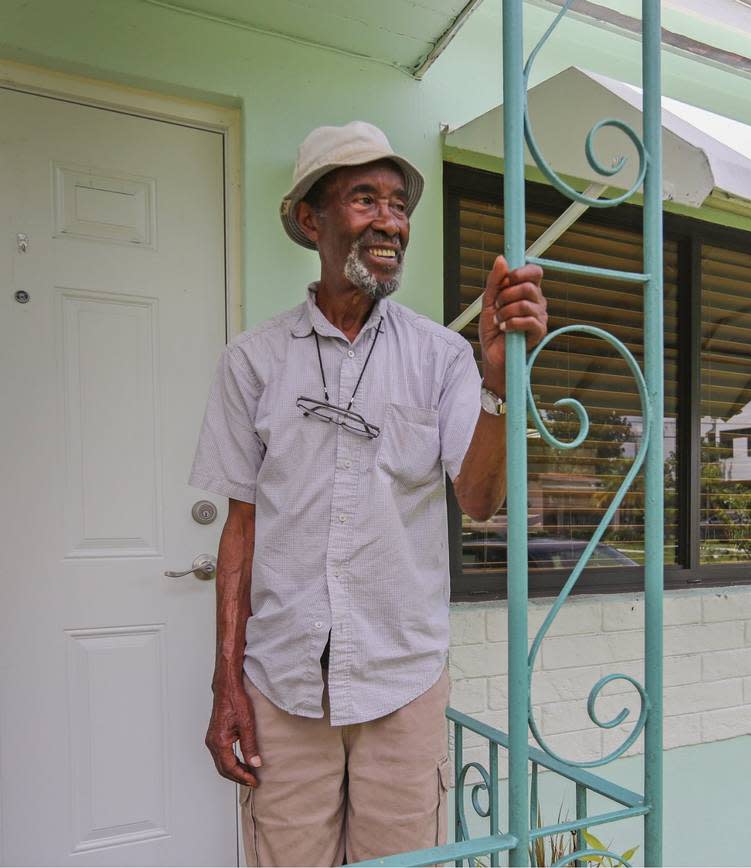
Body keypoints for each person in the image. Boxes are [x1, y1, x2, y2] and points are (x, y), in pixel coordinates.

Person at [189, 121, 547, 866]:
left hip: (402, 680)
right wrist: (225, 682)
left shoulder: (444, 356)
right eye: (364, 199)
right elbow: (241, 528)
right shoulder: (252, 362)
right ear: (310, 219)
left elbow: (478, 500)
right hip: (283, 684)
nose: (390, 221)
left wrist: (497, 385)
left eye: (398, 204)